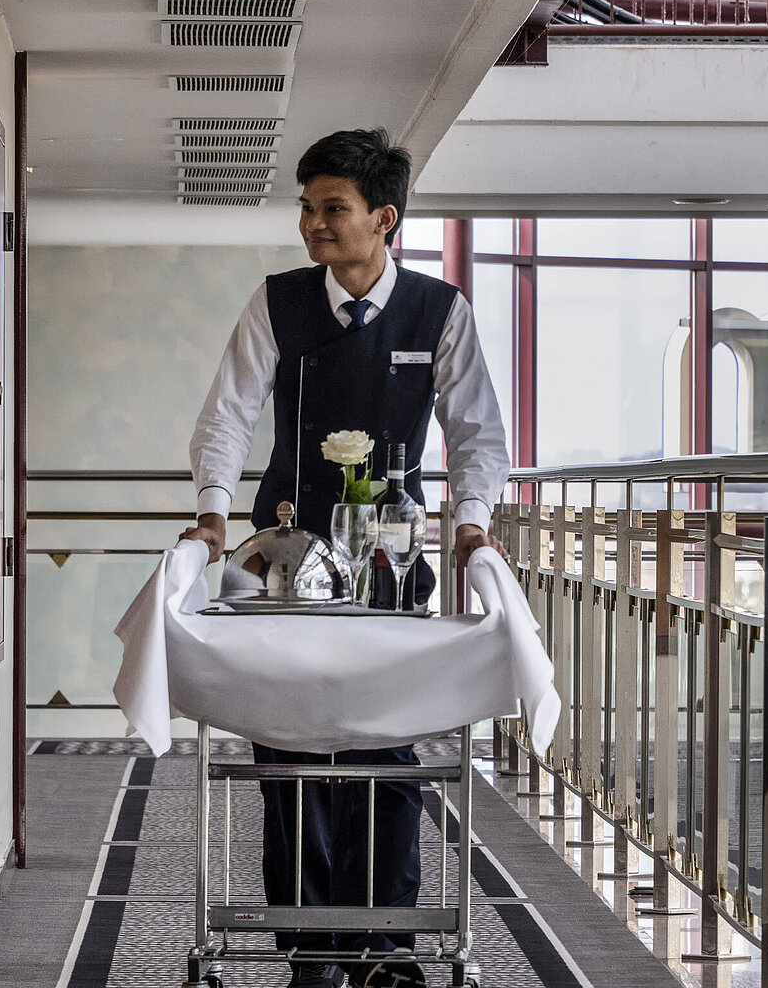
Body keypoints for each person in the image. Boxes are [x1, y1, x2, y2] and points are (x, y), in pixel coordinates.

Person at [181, 129, 509, 988]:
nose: (312, 224)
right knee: (287, 758)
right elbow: (228, 414)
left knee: (386, 753)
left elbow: (478, 434)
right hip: (281, 570)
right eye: (306, 207)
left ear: (383, 219)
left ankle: (387, 944)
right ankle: (312, 950)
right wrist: (213, 515)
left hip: (391, 571)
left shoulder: (440, 311)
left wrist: (470, 523)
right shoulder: (278, 303)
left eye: (332, 208)